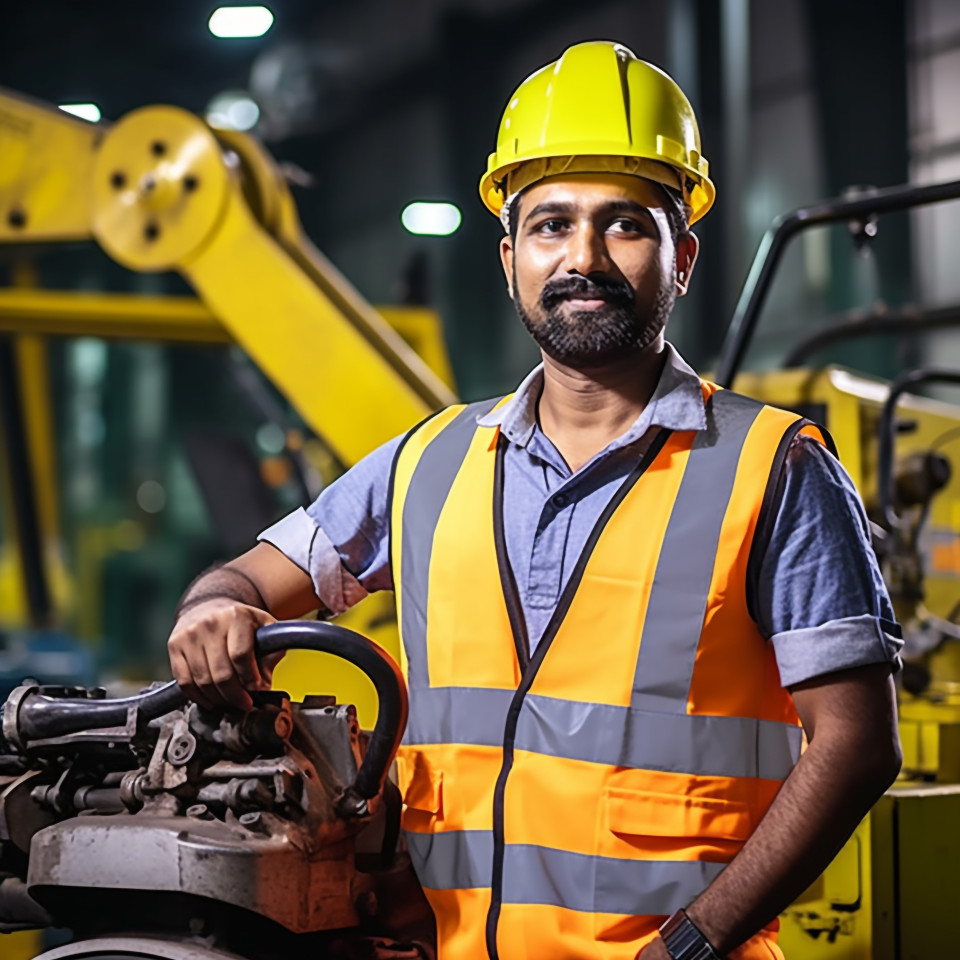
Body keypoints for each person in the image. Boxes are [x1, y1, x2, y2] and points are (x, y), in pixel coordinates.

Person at [168, 40, 903, 960]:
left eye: (626, 224)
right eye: (551, 224)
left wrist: (698, 942)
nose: (583, 257)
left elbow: (859, 746)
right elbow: (245, 581)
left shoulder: (774, 466)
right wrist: (213, 609)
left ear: (682, 253)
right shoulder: (427, 461)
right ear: (511, 252)